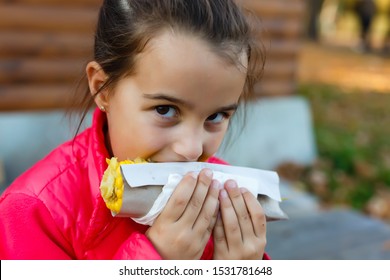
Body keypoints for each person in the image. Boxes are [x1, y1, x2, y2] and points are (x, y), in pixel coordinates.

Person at [0, 0, 268, 260]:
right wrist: (154, 260)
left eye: (215, 116)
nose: (192, 149)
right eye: (165, 110)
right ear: (102, 88)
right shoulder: (35, 212)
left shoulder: (223, 199)